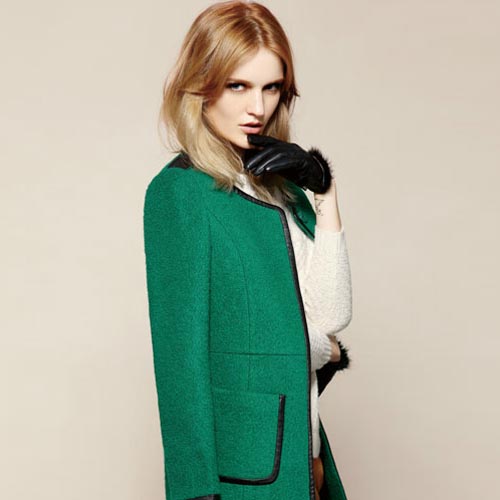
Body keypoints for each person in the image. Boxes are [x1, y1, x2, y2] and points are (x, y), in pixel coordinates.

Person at [143, 1, 353, 499]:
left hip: (308, 464)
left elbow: (332, 315)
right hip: (245, 475)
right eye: (238, 86)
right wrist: (193, 490)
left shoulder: (287, 191)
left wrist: (324, 193)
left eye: (270, 87)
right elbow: (180, 359)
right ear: (201, 84)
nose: (257, 107)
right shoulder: (181, 194)